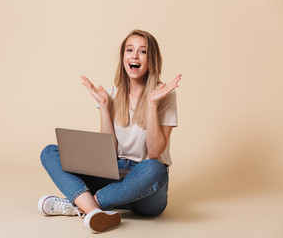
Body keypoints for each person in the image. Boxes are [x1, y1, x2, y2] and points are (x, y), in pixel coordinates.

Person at [38, 29, 181, 233]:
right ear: (123, 57)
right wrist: (104, 106)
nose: (134, 56)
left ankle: (82, 206)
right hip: (113, 176)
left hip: (146, 188)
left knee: (155, 168)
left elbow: (155, 152)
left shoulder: (164, 94)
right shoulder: (112, 94)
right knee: (49, 152)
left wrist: (151, 105)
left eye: (142, 52)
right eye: (129, 50)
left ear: (152, 60)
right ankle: (97, 212)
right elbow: (107, 154)